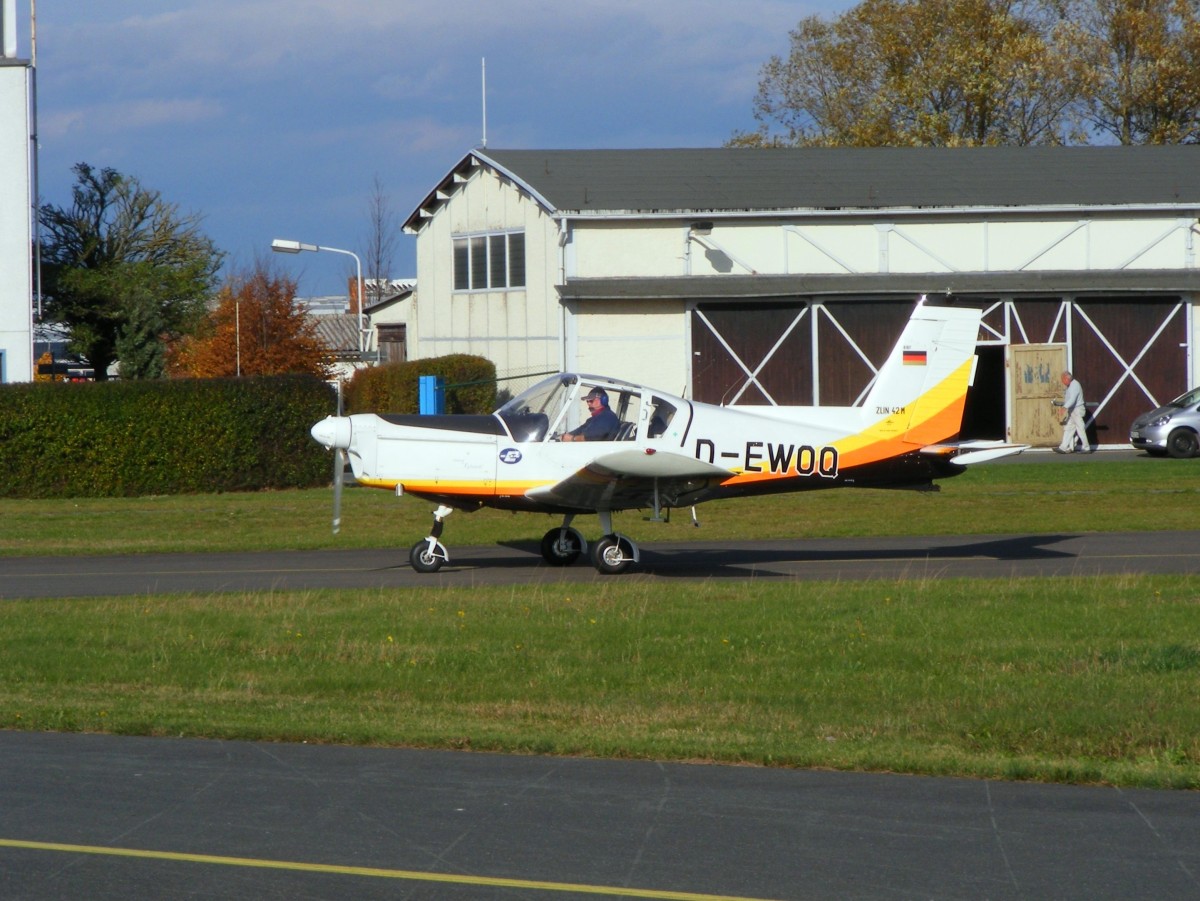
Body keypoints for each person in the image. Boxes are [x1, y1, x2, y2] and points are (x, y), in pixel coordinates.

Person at [1053, 370, 1089, 453]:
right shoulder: (1071, 386)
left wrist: (1064, 407)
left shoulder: (1075, 385)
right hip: (1072, 410)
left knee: (1080, 428)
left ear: (1066, 379)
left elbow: (1072, 399)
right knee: (1069, 428)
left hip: (1077, 410)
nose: (1062, 382)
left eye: (1063, 380)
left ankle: (1086, 447)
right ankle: (1063, 447)